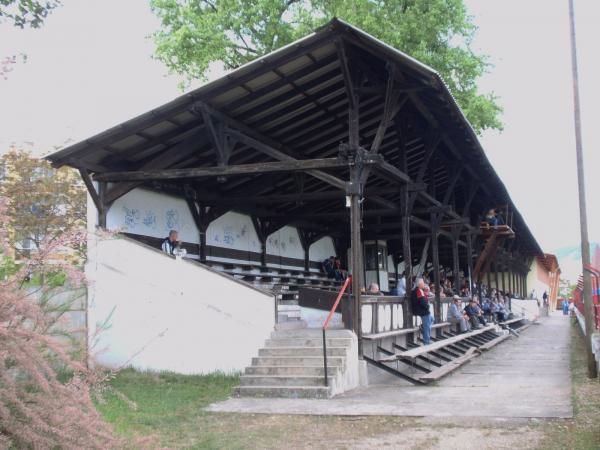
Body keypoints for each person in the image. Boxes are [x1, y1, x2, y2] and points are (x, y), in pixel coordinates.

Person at [411, 278, 433, 345]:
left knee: (432, 319)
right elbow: (423, 301)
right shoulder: (419, 290)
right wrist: (428, 306)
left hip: (420, 310)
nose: (424, 284)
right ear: (419, 284)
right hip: (422, 311)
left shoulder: (417, 290)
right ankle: (426, 342)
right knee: (427, 327)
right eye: (423, 283)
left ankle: (422, 327)